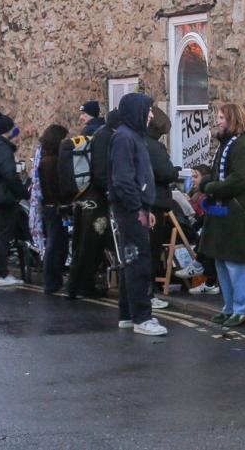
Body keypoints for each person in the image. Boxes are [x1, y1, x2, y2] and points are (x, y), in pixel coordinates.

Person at [108, 92, 167, 336]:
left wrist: (146, 208)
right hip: (130, 212)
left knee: (131, 262)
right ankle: (142, 317)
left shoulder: (131, 136)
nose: (151, 114)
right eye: (148, 109)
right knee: (139, 262)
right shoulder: (124, 138)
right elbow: (123, 180)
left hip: (136, 210)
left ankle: (127, 314)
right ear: (136, 111)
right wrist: (137, 209)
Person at [197, 103, 245, 329]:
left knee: (237, 262)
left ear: (233, 120)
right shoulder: (226, 144)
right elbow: (216, 176)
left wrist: (210, 186)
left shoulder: (243, 146)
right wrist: (207, 183)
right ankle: (230, 306)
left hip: (236, 213)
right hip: (222, 212)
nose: (218, 121)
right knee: (222, 260)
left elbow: (239, 180)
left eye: (222, 117)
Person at [67, 109, 117, 300]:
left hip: (84, 196)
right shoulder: (105, 137)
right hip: (96, 200)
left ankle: (74, 285)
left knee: (81, 242)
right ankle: (84, 286)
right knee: (92, 243)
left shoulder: (96, 134)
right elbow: (102, 171)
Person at [0, 112, 28, 287]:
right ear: (8, 131)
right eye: (14, 130)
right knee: (2, 237)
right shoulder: (3, 149)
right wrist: (23, 193)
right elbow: (10, 175)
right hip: (4, 199)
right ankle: (2, 274)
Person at [144, 107, 178, 308]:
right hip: (154, 204)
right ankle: (148, 294)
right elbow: (165, 172)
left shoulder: (138, 142)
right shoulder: (153, 147)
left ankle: (143, 293)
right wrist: (175, 171)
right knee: (152, 251)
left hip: (146, 202)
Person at [37, 124, 70, 294]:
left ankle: (54, 280)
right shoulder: (50, 161)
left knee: (58, 244)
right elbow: (53, 187)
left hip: (51, 207)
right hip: (53, 208)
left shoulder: (47, 158)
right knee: (54, 244)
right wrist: (62, 203)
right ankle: (51, 281)